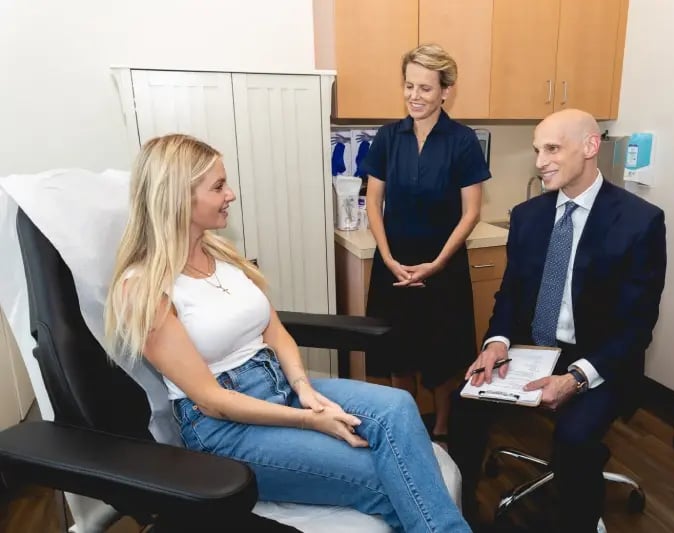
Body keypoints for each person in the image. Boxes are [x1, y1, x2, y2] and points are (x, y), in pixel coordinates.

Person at [104, 134, 471, 533]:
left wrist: (304, 387)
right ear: (177, 197)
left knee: (399, 407)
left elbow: (275, 333)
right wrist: (309, 420)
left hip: (276, 384)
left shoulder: (221, 255)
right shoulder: (142, 288)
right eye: (218, 186)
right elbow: (212, 401)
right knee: (384, 474)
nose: (231, 194)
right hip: (224, 430)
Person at [449, 109, 667, 532]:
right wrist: (495, 342)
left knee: (575, 437)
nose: (539, 161)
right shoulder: (529, 216)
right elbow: (510, 296)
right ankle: (457, 513)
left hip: (599, 359)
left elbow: (637, 326)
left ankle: (582, 522)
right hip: (532, 349)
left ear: (589, 147)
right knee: (465, 404)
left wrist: (576, 378)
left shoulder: (639, 222)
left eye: (552, 148)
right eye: (537, 150)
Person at [362, 44, 491, 445]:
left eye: (425, 89)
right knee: (397, 350)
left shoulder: (463, 141)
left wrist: (436, 264)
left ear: (445, 91)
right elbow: (372, 201)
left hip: (443, 265)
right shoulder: (387, 137)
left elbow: (470, 213)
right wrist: (387, 257)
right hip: (395, 263)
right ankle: (405, 429)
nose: (415, 96)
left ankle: (442, 428)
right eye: (409, 86)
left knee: (442, 356)